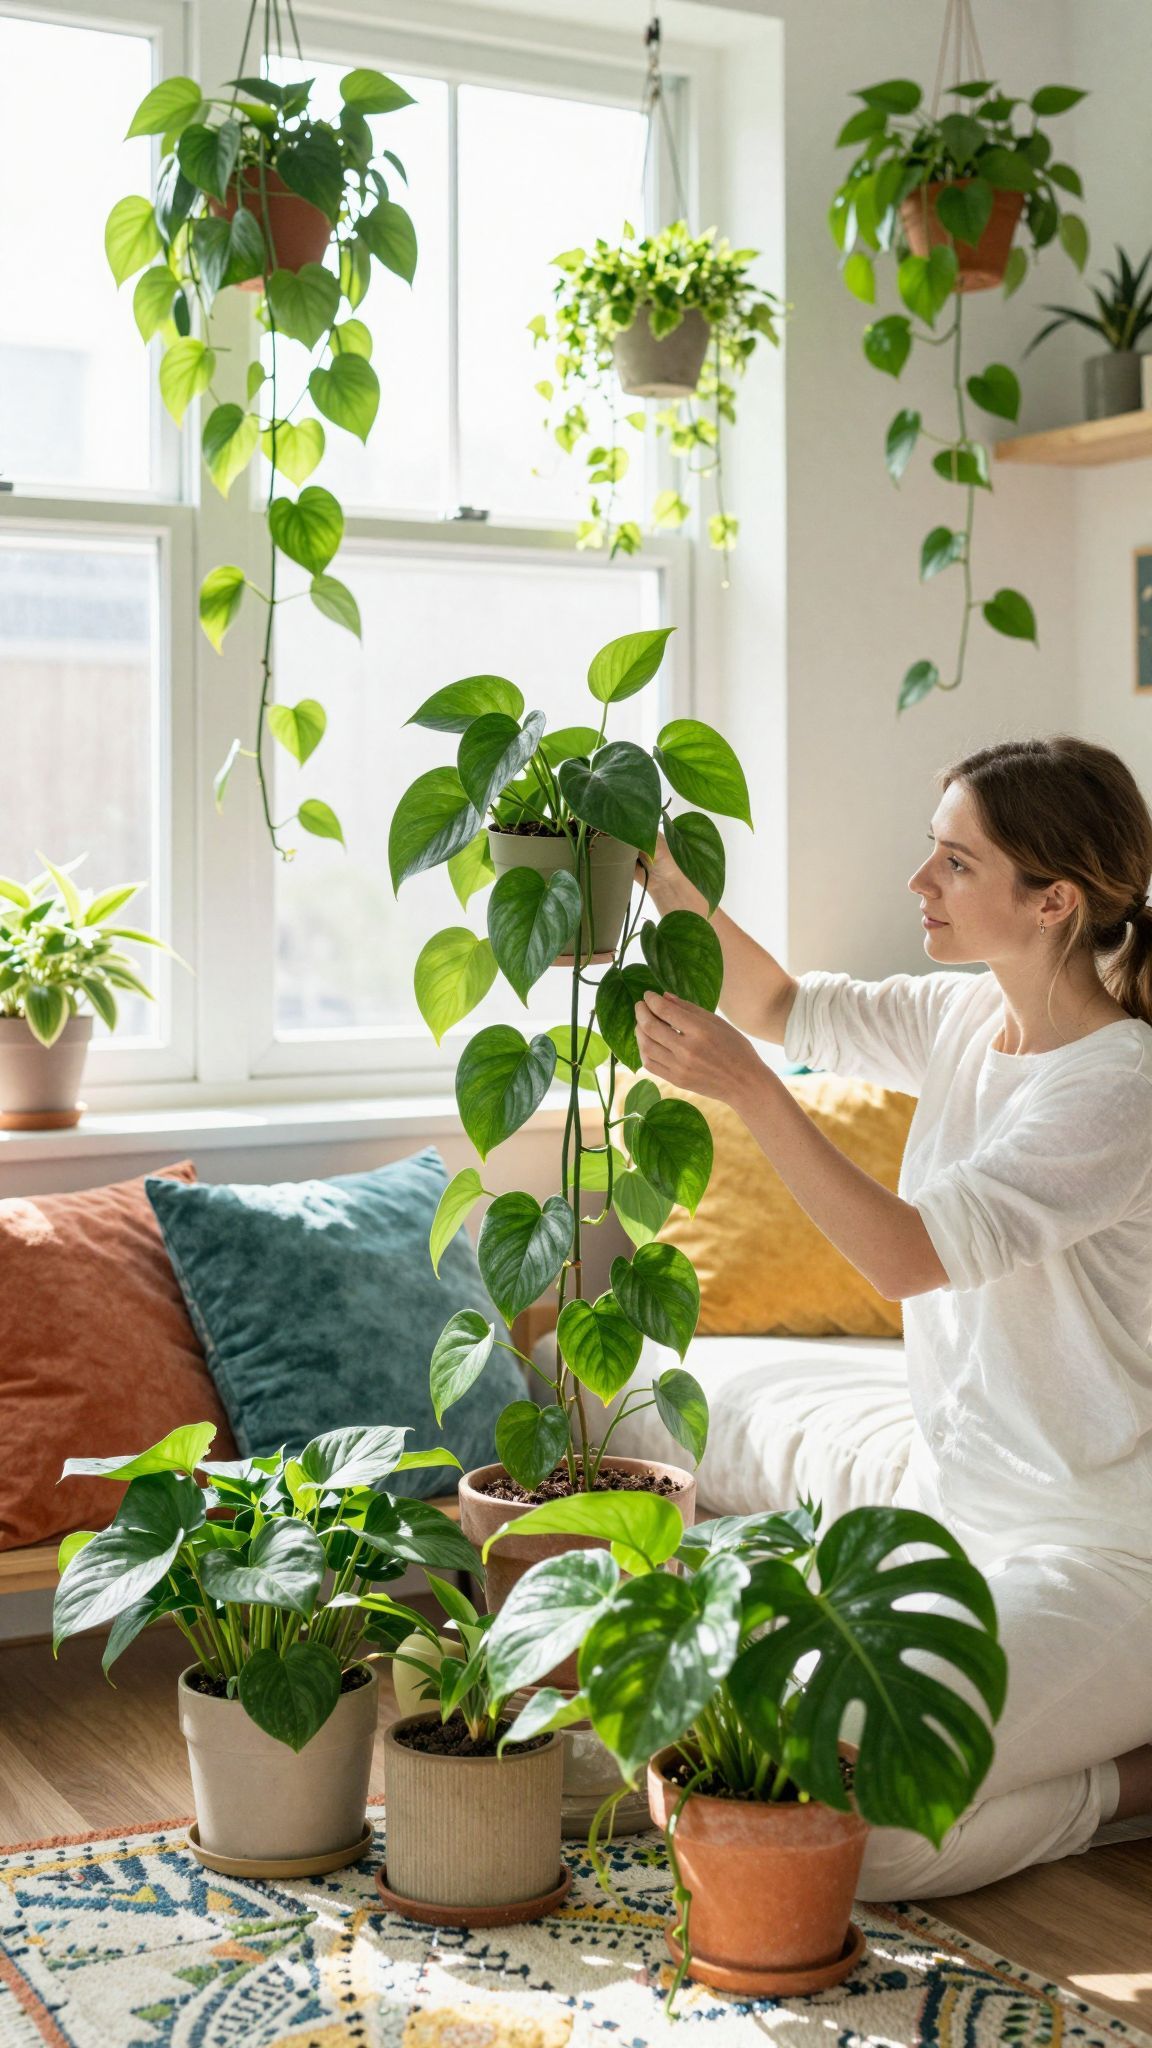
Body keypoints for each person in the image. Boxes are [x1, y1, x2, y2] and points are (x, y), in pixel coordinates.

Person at [633, 735, 1152, 1896]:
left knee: (856, 1835)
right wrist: (664, 878)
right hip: (960, 1518)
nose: (920, 882)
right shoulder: (965, 1016)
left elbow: (909, 1256)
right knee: (747, 1759)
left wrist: (756, 1095)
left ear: (1053, 899)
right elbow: (778, 1001)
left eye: (956, 863)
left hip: (1106, 1554)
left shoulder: (1118, 1087)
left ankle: (1127, 1781)